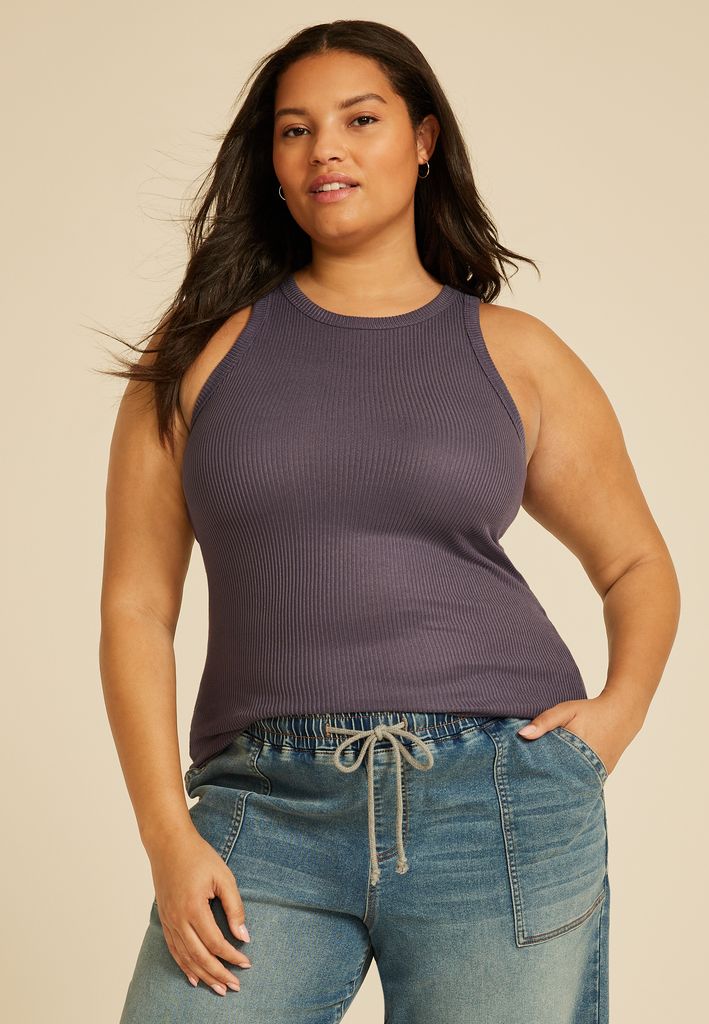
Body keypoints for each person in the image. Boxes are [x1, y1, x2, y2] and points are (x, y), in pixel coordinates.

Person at [99, 19, 680, 1024]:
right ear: (272, 163)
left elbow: (636, 562)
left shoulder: (515, 353)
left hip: (497, 800)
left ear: (422, 140)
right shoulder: (194, 352)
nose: (324, 149)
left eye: (359, 120)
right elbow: (136, 607)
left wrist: (613, 717)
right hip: (264, 807)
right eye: (295, 130)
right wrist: (164, 833)